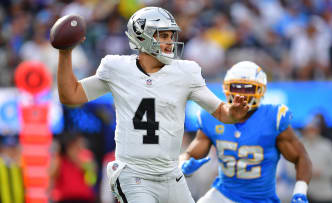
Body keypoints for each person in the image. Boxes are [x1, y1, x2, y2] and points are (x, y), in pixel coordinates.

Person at [56, 6, 249, 203]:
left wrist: (233, 112)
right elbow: (71, 95)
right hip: (134, 173)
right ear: (141, 37)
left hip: (170, 174)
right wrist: (65, 54)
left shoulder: (186, 72)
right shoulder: (117, 68)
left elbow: (221, 112)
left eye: (171, 35)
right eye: (163, 36)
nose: (170, 42)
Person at [179, 61, 312, 203]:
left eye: (248, 89)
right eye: (236, 87)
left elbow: (301, 157)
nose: (241, 94)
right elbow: (190, 153)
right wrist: (182, 164)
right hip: (224, 194)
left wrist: (300, 191)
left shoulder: (273, 118)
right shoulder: (211, 117)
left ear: (260, 90)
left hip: (260, 199)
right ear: (226, 88)